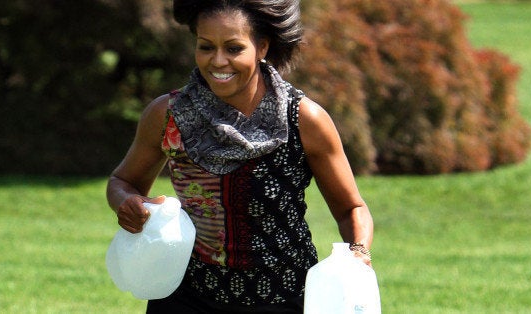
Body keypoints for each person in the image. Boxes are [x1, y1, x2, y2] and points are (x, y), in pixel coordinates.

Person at [106, 0, 374, 312]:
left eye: (233, 48)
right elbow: (123, 181)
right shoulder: (168, 116)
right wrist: (127, 202)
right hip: (187, 297)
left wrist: (357, 252)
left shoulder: (303, 120)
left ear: (262, 47)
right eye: (206, 47)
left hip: (283, 298)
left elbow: (351, 209)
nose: (218, 61)